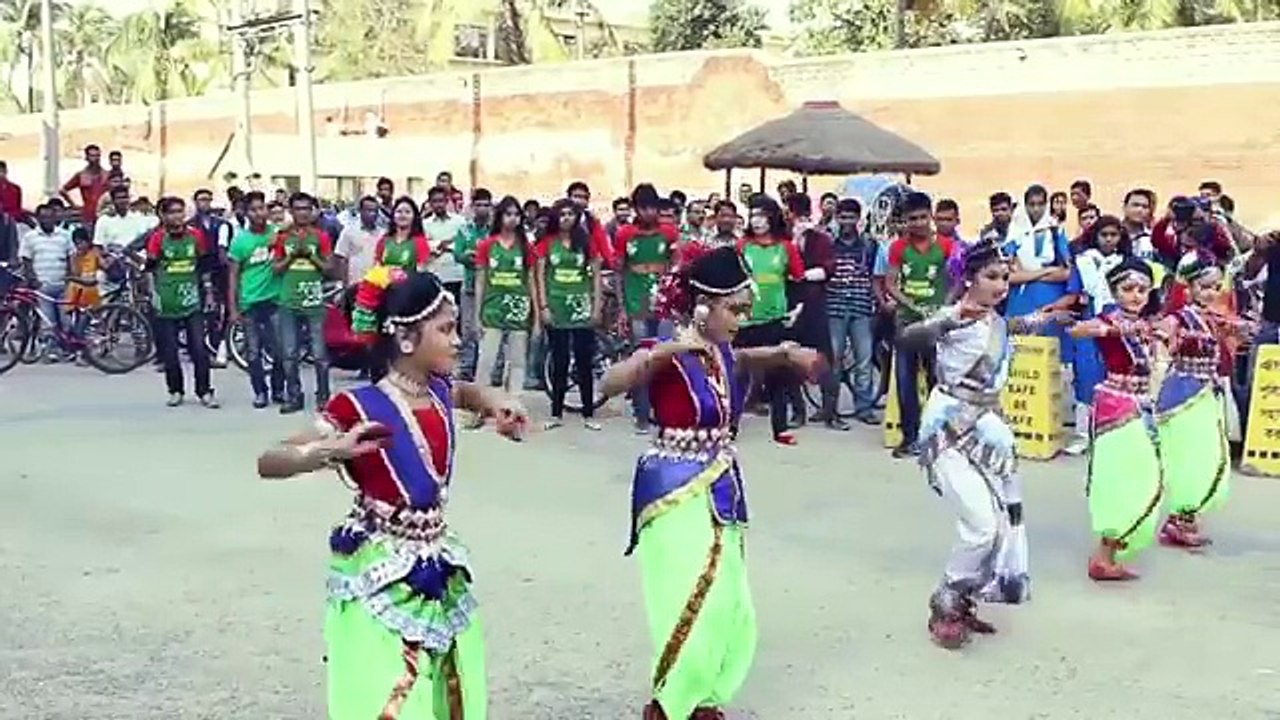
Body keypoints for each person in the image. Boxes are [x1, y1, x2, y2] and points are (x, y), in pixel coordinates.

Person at [256, 267, 529, 720]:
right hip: (381, 564)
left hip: (437, 555)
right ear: (406, 340)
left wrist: (495, 401)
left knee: (446, 677)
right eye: (444, 330)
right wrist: (330, 449)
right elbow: (271, 460)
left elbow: (466, 391)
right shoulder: (359, 406)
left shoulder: (440, 391)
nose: (457, 340)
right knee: (394, 690)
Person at [600, 245, 821, 720]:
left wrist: (784, 353)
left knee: (731, 598)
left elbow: (740, 358)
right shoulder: (670, 352)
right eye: (734, 309)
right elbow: (608, 383)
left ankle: (704, 699)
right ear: (702, 306)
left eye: (745, 308)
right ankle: (670, 702)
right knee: (693, 592)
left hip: (721, 482)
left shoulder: (721, 351)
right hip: (674, 489)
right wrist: (663, 351)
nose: (741, 318)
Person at [901, 239, 1063, 648]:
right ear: (969, 278)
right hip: (949, 429)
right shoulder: (953, 318)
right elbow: (910, 337)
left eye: (1005, 277)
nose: (1001, 285)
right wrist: (952, 315)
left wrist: (1049, 316)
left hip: (989, 430)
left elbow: (1015, 328)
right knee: (980, 525)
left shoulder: (997, 322)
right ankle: (946, 600)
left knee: (999, 523)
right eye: (992, 276)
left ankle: (964, 600)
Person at [1069, 258, 1165, 581]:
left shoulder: (1148, 323)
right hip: (1116, 403)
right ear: (1114, 291)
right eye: (1128, 289)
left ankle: (1111, 551)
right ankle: (1103, 556)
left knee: (1142, 475)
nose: (1136, 295)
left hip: (1140, 403)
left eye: (1142, 289)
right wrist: (1115, 328)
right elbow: (1078, 329)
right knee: (1123, 478)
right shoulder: (1109, 318)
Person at [1154, 251, 1249, 548]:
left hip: (1206, 393)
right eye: (1204, 286)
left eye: (1215, 286)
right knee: (1189, 457)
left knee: (1209, 456)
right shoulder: (1178, 318)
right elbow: (1159, 342)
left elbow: (1238, 332)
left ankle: (1184, 519)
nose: (1211, 292)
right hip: (1184, 393)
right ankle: (1179, 519)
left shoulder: (1213, 318)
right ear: (1190, 286)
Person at [886, 192, 955, 457]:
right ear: (904, 221)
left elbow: (958, 280)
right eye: (912, 219)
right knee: (905, 381)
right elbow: (890, 284)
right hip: (907, 323)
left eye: (922, 217)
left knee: (939, 381)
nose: (917, 223)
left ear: (931, 216)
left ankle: (941, 438)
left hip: (937, 324)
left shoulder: (947, 246)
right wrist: (913, 306)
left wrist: (944, 307)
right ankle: (910, 438)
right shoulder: (897, 248)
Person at [736, 196, 805, 445]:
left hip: (775, 316)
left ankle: (781, 428)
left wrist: (796, 309)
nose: (757, 221)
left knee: (778, 374)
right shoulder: (742, 246)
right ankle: (729, 426)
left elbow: (798, 279)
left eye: (762, 215)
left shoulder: (786, 247)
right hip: (745, 318)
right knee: (738, 374)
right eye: (753, 215)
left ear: (773, 218)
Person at [535, 198, 605, 430]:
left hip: (581, 308)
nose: (566, 218)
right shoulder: (546, 243)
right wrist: (543, 307)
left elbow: (595, 276)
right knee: (560, 361)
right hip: (556, 307)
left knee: (584, 362)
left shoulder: (586, 243)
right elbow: (540, 276)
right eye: (562, 214)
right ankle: (556, 414)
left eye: (570, 214)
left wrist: (596, 307)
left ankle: (588, 414)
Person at [615, 184, 679, 434]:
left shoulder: (669, 233)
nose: (648, 212)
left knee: (663, 358)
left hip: (663, 306)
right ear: (635, 209)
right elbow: (620, 272)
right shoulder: (624, 235)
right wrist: (622, 308)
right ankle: (641, 413)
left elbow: (676, 266)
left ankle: (664, 412)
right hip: (636, 304)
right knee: (641, 359)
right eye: (643, 208)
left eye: (652, 207)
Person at [146, 196, 219, 408]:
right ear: (163, 215)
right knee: (170, 351)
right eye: (172, 212)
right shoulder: (157, 238)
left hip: (192, 301)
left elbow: (204, 266)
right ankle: (175, 390)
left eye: (180, 211)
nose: (177, 216)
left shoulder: (196, 236)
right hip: (166, 302)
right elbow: (150, 270)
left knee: (198, 349)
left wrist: (209, 294)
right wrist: (153, 294)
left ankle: (204, 391)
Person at [271, 192, 335, 414]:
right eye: (298, 209)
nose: (303, 213)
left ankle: (324, 397)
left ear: (313, 211)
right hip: (288, 301)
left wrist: (310, 255)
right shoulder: (282, 237)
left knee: (319, 354)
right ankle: (294, 396)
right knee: (289, 353)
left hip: (314, 301)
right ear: (291, 211)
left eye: (307, 208)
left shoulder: (321, 237)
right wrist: (291, 256)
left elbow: (329, 268)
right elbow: (275, 268)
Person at [474, 195, 537, 396]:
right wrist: (477, 314)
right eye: (508, 214)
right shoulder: (487, 245)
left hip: (518, 308)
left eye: (516, 215)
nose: (512, 218)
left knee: (517, 361)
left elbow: (531, 281)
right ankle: (480, 405)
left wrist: (535, 317)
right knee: (487, 360)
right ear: (500, 217)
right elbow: (481, 281)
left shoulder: (526, 247)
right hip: (492, 308)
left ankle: (512, 404)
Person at [228, 191, 285, 408]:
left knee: (281, 350)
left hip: (275, 300)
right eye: (253, 209)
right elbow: (233, 275)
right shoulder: (240, 241)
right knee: (253, 352)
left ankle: (279, 389)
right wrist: (233, 308)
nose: (259, 213)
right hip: (250, 302)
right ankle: (260, 392)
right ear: (246, 212)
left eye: (262, 208)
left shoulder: (277, 233)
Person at [825, 198, 879, 426]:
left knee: (864, 361)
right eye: (843, 217)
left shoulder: (869, 245)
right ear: (837, 218)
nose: (847, 222)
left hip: (861, 308)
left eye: (851, 217)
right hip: (834, 307)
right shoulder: (827, 244)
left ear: (859, 219)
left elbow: (876, 276)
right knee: (832, 360)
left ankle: (864, 408)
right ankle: (830, 408)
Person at [18, 203, 74, 352]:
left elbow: (70, 257)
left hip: (63, 284)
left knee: (66, 320)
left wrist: (71, 277)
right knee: (49, 321)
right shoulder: (30, 237)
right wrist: (33, 279)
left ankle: (66, 348)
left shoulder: (64, 235)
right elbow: (26, 260)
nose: (47, 220)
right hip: (42, 286)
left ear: (54, 218)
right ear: (38, 219)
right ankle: (51, 349)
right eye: (43, 217)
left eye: (50, 217)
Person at [454, 189, 494, 382]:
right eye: (479, 205)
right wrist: (471, 257)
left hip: (492, 288)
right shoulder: (464, 230)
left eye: (486, 205)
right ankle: (467, 367)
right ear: (472, 207)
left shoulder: (495, 231)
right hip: (469, 286)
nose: (482, 209)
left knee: (491, 329)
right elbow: (458, 254)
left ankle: (491, 369)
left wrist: (479, 256)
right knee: (469, 329)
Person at [424, 186, 466, 298]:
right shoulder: (424, 224)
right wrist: (446, 242)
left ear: (447, 201)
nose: (438, 204)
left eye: (441, 201)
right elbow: (425, 247)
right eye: (435, 201)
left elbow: (461, 245)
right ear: (430, 203)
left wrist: (440, 244)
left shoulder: (459, 222)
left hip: (455, 274)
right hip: (434, 274)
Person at [335, 195, 383, 286]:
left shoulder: (383, 234)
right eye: (369, 210)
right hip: (354, 284)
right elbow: (342, 258)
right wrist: (345, 284)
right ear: (360, 211)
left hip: (376, 284)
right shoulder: (349, 231)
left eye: (375, 211)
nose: (373, 214)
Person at [376, 196, 431, 273]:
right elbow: (377, 268)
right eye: (399, 212)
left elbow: (421, 272)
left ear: (414, 217)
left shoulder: (420, 242)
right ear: (393, 215)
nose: (403, 215)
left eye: (407, 212)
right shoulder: (384, 241)